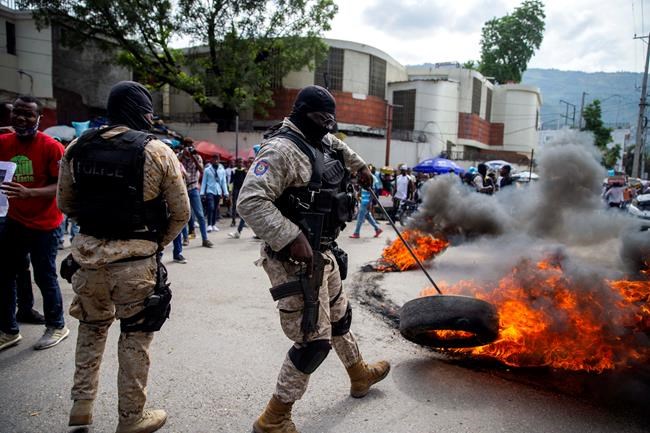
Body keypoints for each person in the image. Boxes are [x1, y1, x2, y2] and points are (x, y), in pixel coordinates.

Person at [238, 85, 390, 433]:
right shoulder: (281, 150)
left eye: (331, 121)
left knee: (340, 318)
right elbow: (249, 201)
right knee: (313, 342)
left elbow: (338, 146)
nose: (328, 127)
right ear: (304, 113)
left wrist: (360, 167)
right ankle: (274, 417)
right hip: (294, 260)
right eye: (323, 120)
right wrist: (290, 236)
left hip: (323, 251)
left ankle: (359, 374)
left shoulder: (319, 139)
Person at [58, 81, 190, 432]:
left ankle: (82, 404)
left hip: (87, 262)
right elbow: (181, 212)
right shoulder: (157, 151)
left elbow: (64, 203)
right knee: (135, 336)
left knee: (91, 328)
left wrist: (94, 230)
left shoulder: (76, 147)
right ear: (142, 112)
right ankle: (131, 417)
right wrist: (155, 243)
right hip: (135, 265)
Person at [0, 95, 69, 352]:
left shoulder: (52, 147)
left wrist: (30, 193)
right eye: (17, 112)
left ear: (39, 118)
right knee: (5, 275)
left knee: (44, 276)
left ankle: (57, 325)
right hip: (14, 221)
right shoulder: (4, 142)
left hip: (45, 225)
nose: (21, 118)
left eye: (28, 114)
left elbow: (61, 185)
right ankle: (8, 330)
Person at [179, 137, 213, 247]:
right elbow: (175, 166)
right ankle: (185, 238)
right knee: (184, 215)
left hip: (193, 187)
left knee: (200, 215)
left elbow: (202, 170)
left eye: (191, 145)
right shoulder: (179, 156)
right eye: (187, 145)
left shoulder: (197, 156)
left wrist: (193, 157)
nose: (189, 147)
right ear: (184, 146)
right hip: (182, 188)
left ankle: (205, 239)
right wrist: (183, 155)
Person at [201, 155, 229, 232]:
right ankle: (209, 225)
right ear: (211, 160)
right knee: (211, 207)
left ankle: (213, 224)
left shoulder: (222, 170)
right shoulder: (207, 170)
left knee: (216, 208)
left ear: (219, 160)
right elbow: (204, 181)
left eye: (217, 159)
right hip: (210, 190)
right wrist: (202, 193)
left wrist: (226, 192)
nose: (216, 161)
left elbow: (223, 182)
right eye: (214, 159)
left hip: (218, 191)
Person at [230, 157, 247, 227]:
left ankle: (243, 222)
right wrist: (230, 191)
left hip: (242, 190)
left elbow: (246, 181)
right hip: (235, 189)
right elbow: (231, 181)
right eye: (239, 162)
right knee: (234, 206)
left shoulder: (244, 171)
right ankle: (233, 221)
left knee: (243, 206)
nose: (240, 164)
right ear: (237, 163)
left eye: (242, 162)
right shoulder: (233, 171)